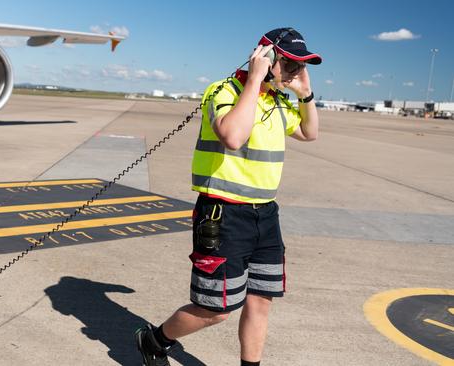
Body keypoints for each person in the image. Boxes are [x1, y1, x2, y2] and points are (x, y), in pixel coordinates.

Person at [135, 28, 321, 366]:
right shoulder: (225, 91)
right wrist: (254, 80)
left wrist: (305, 94)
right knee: (216, 308)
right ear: (266, 57)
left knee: (261, 300)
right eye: (291, 64)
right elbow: (233, 136)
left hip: (265, 215)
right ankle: (154, 339)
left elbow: (310, 132)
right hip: (223, 214)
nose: (295, 72)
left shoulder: (277, 102)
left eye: (301, 66)